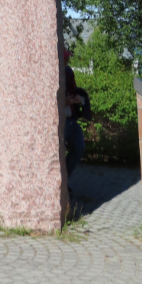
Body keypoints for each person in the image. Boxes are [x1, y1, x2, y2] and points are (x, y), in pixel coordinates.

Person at [64, 48, 92, 189]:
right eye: (65, 58)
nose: (67, 60)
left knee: (79, 147)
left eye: (67, 58)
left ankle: (63, 179)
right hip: (59, 121)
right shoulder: (51, 72)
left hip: (70, 119)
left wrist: (78, 99)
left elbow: (74, 90)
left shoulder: (68, 72)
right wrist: (64, 102)